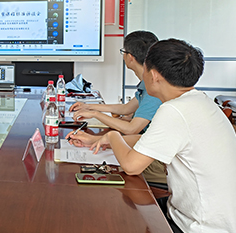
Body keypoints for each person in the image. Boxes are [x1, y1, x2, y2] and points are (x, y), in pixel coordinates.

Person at [67, 39, 236, 233]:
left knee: (113, 230)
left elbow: (131, 166)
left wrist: (112, 136)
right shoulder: (198, 102)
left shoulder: (174, 111)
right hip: (221, 230)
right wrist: (99, 140)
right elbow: (151, 141)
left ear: (153, 75)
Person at [69, 30, 165, 184]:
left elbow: (132, 129)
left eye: (123, 52)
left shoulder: (154, 90)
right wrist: (90, 107)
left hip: (152, 159)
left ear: (130, 57)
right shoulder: (148, 84)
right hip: (145, 148)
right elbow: (126, 108)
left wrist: (96, 116)